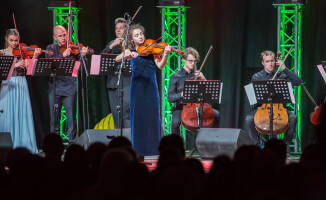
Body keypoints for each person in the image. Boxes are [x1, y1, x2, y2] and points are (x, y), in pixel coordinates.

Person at [116, 24, 172, 156]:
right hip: (137, 89)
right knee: (138, 120)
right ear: (132, 38)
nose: (140, 37)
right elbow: (117, 58)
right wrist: (128, 54)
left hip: (151, 88)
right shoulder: (130, 51)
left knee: (153, 119)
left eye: (141, 34)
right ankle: (139, 151)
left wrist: (166, 55)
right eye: (137, 35)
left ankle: (155, 150)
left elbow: (160, 66)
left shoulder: (152, 50)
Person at [245, 50, 302, 152]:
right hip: (263, 109)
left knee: (293, 118)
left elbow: (298, 82)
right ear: (263, 63)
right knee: (249, 119)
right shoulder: (257, 76)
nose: (270, 64)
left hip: (280, 109)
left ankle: (285, 146)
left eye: (272, 61)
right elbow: (253, 97)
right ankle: (257, 146)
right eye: (267, 61)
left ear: (275, 61)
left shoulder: (282, 75)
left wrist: (285, 69)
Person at [0, 29, 41, 153]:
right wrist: (15, 65)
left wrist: (35, 56)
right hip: (8, 84)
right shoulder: (1, 53)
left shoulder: (23, 53)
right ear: (6, 39)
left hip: (21, 83)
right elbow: (1, 72)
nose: (14, 43)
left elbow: (31, 70)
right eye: (11, 40)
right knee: (7, 114)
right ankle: (6, 147)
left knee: (21, 114)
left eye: (16, 40)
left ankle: (23, 145)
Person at [45, 25, 88, 144]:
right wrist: (62, 56)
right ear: (55, 37)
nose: (63, 38)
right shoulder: (50, 48)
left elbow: (82, 68)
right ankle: (54, 144)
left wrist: (83, 56)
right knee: (54, 119)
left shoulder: (74, 48)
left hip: (69, 87)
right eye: (60, 36)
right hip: (54, 87)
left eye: (65, 35)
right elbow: (48, 65)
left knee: (71, 119)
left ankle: (72, 143)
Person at [168, 47, 220, 135]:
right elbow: (170, 97)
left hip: (198, 107)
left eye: (194, 61)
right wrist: (181, 94)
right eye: (190, 61)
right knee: (175, 123)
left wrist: (204, 80)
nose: (193, 63)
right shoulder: (175, 76)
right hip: (181, 107)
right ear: (184, 60)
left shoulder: (197, 75)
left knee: (216, 114)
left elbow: (208, 93)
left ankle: (213, 141)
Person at [101, 18, 131, 129]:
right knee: (116, 114)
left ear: (126, 29)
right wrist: (112, 45)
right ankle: (119, 141)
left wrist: (125, 47)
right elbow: (101, 57)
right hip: (113, 84)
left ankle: (129, 140)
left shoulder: (131, 43)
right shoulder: (112, 44)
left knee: (126, 114)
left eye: (121, 28)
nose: (118, 31)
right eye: (116, 28)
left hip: (127, 83)